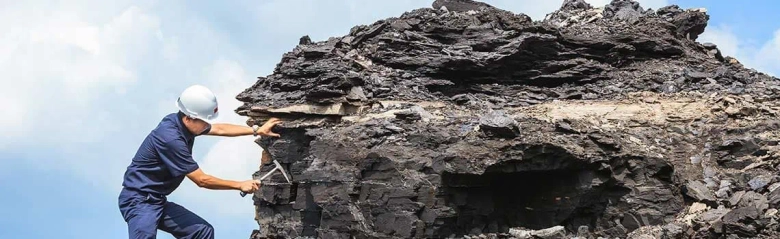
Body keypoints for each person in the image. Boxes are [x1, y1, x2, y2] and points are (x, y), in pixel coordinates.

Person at [117, 84, 282, 239]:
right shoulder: (170, 139)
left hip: (157, 200)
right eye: (204, 120)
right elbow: (201, 180)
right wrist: (239, 185)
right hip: (138, 200)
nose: (207, 125)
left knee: (202, 232)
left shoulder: (182, 122)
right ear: (189, 118)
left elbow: (220, 128)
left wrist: (256, 130)